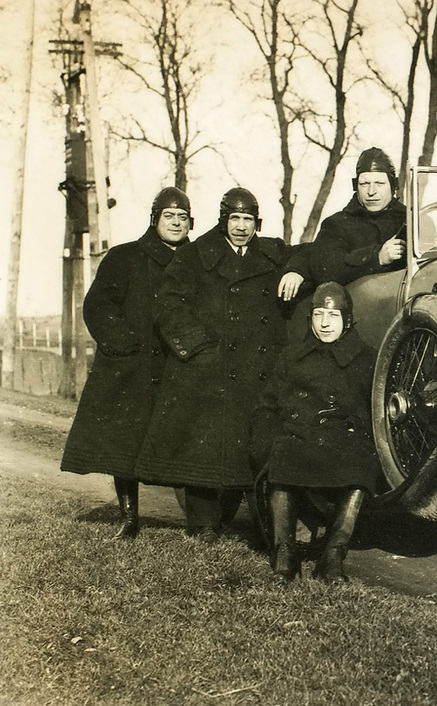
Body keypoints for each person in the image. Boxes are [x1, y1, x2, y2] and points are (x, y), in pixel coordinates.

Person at [135, 187, 298, 542]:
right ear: (223, 219)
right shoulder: (194, 255)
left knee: (252, 448)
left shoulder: (273, 252)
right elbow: (168, 303)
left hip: (258, 370)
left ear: (258, 222)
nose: (241, 227)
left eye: (248, 220)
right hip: (208, 369)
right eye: (234, 219)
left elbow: (314, 257)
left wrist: (297, 271)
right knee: (203, 450)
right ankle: (204, 525)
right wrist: (196, 347)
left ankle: (262, 528)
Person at [60, 186, 193, 539]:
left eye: (182, 217)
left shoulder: (197, 261)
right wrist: (123, 342)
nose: (176, 223)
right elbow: (97, 306)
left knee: (185, 440)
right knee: (126, 444)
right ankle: (130, 519)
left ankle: (200, 522)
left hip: (178, 366)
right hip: (134, 368)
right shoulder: (126, 257)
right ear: (155, 220)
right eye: (169, 216)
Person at [251, 281, 378, 584]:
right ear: (310, 318)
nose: (324, 323)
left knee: (361, 464)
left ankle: (333, 557)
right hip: (297, 437)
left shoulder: (367, 359)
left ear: (347, 321)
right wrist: (264, 441)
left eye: (333, 317)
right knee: (281, 454)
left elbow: (374, 409)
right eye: (319, 314)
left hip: (341, 441)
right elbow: (266, 406)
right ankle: (285, 555)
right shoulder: (292, 356)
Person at [278, 146, 406, 301]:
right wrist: (376, 257)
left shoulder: (410, 221)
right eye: (364, 184)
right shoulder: (337, 224)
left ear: (393, 186)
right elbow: (325, 271)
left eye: (379, 183)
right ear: (356, 186)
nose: (371, 191)